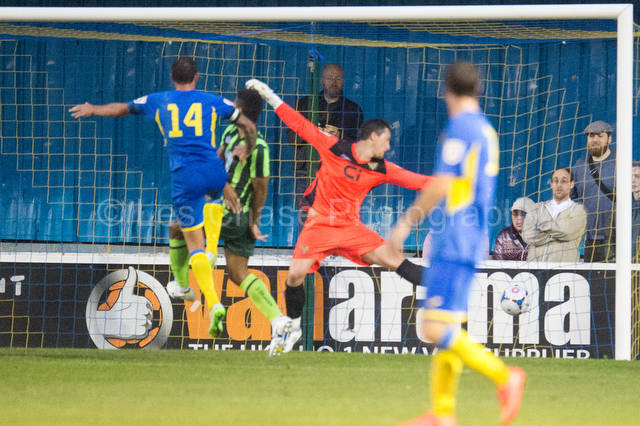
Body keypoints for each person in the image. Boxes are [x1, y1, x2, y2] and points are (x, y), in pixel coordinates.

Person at [69, 57, 265, 340]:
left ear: (172, 77)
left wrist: (93, 109)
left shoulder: (159, 100)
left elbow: (121, 109)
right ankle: (202, 256)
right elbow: (247, 124)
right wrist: (248, 145)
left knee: (193, 242)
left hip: (185, 177)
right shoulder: (212, 100)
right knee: (204, 206)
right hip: (214, 171)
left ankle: (212, 300)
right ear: (196, 77)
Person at [245, 78, 431, 353]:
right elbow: (300, 125)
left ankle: (445, 285)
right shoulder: (334, 148)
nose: (388, 147)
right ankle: (293, 327)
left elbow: (419, 181)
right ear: (373, 137)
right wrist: (271, 97)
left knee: (395, 261)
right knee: (294, 276)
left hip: (351, 229)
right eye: (387, 140)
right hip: (319, 225)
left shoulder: (382, 169)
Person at [388, 61, 525, 426]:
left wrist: (405, 224)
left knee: (433, 328)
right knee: (446, 324)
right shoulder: (485, 128)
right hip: (472, 235)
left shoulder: (461, 126)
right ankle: (443, 413)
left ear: (446, 90)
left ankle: (503, 376)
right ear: (477, 89)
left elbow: (442, 182)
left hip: (456, 236)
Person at [165, 89, 292, 356]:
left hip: (228, 212)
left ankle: (184, 284)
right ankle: (279, 320)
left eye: (234, 105)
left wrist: (254, 220)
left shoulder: (259, 149)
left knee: (177, 227)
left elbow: (260, 188)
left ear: (240, 111)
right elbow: (218, 159)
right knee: (238, 273)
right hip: (237, 216)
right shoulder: (233, 134)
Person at [288, 64, 364, 222]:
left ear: (344, 82)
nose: (333, 82)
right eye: (329, 78)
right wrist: (313, 133)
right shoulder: (305, 104)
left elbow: (357, 148)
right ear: (322, 81)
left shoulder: (353, 110)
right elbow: (291, 137)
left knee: (333, 217)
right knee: (306, 217)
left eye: (338, 78)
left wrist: (339, 137)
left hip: (337, 173)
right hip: (306, 170)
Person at [571, 120, 615, 262]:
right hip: (591, 240)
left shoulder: (621, 162)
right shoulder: (579, 165)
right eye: (591, 136)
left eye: (600, 136)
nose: (595, 140)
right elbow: (572, 199)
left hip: (618, 238)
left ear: (609, 139)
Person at [522, 168, 586, 262]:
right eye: (555, 181)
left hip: (565, 268)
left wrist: (541, 227)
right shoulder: (537, 208)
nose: (559, 185)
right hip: (535, 267)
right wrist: (558, 234)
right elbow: (527, 235)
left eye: (564, 181)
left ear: (571, 184)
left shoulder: (579, 210)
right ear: (551, 184)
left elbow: (567, 233)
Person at [632, 161, 640, 260]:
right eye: (630, 176)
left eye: (637, 176)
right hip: (623, 260)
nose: (633, 180)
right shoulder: (617, 205)